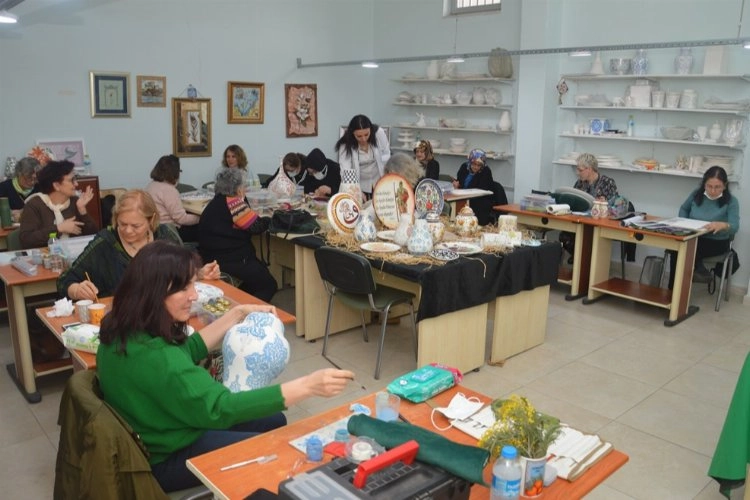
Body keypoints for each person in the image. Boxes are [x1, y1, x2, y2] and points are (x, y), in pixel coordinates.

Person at [96, 241, 354, 492]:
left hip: (157, 429)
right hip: (165, 456)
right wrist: (308, 386)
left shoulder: (122, 331)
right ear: (154, 292)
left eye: (193, 284)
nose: (194, 295)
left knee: (274, 419)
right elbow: (222, 408)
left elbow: (189, 349)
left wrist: (236, 313)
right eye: (184, 288)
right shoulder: (162, 360)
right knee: (270, 447)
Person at [58, 189, 220, 300]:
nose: (128, 231)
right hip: (120, 320)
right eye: (122, 224)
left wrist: (199, 273)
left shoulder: (165, 236)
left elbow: (183, 271)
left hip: (163, 316)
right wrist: (77, 290)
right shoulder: (105, 242)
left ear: (151, 220)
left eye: (136, 226)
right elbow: (65, 280)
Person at [198, 167, 277, 302]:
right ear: (239, 189)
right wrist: (270, 217)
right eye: (243, 186)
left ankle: (240, 303)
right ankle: (249, 311)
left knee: (254, 279)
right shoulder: (234, 203)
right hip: (232, 260)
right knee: (269, 285)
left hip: (210, 257)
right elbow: (257, 226)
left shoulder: (215, 202)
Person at [668, 166, 739, 287]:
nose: (713, 191)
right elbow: (684, 209)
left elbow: (735, 226)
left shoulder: (731, 201)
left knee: (683, 249)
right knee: (677, 247)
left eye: (717, 187)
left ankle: (679, 290)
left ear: (725, 185)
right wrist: (683, 222)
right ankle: (676, 290)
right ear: (704, 184)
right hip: (693, 236)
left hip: (716, 242)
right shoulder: (697, 194)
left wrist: (723, 225)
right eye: (709, 186)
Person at [19, 160, 97, 249]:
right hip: (46, 255)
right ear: (56, 185)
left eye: (75, 179)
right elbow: (26, 240)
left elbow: (94, 237)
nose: (76, 184)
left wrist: (82, 210)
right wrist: (58, 229)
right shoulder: (35, 205)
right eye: (71, 180)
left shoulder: (75, 202)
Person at [559, 153, 620, 261]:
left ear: (590, 169)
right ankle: (580, 260)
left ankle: (583, 261)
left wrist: (605, 203)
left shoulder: (607, 183)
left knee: (588, 239)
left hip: (598, 225)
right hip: (581, 222)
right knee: (564, 236)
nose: (578, 173)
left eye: (580, 170)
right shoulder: (580, 183)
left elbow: (615, 208)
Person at [145, 154, 200, 242]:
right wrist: (201, 218)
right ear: (175, 172)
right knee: (206, 227)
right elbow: (181, 219)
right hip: (170, 233)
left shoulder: (151, 185)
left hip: (156, 230)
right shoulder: (169, 190)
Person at [335, 114, 390, 200]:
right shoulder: (345, 144)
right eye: (359, 136)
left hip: (379, 180)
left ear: (371, 130)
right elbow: (345, 171)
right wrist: (356, 191)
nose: (364, 139)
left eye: (366, 134)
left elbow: (386, 155)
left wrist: (387, 179)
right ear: (353, 134)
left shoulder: (379, 133)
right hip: (359, 184)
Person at [451, 149, 496, 225]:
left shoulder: (486, 171)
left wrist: (464, 190)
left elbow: (481, 189)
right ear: (470, 162)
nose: (476, 167)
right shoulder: (464, 167)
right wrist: (457, 184)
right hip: (464, 197)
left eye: (479, 165)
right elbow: (459, 181)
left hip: (480, 200)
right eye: (474, 164)